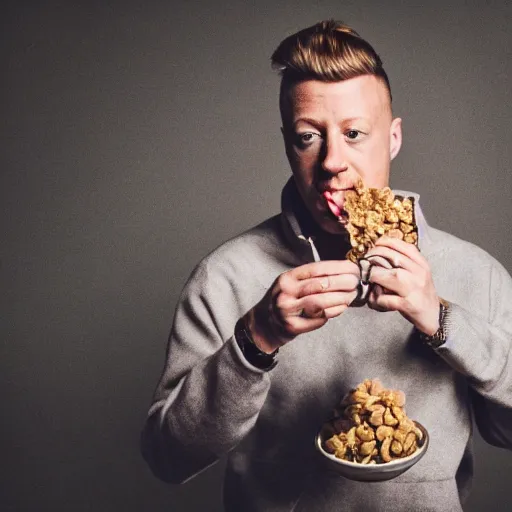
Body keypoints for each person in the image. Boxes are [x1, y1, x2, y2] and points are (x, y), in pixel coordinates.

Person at [141, 20, 512, 511]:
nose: (333, 161)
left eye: (355, 134)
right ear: (287, 144)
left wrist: (445, 322)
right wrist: (255, 340)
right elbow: (169, 457)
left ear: (394, 138)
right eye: (307, 137)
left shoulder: (474, 273)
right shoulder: (226, 276)